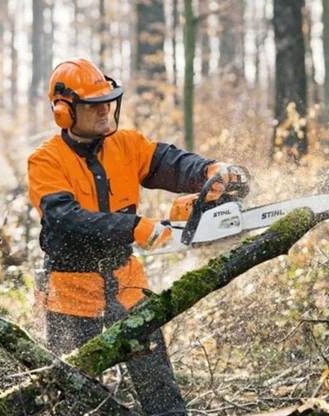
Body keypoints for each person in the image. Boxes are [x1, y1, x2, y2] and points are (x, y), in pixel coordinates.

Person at [27, 57, 247, 415]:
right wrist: (134, 227)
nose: (104, 112)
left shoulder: (127, 145)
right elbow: (65, 219)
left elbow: (169, 164)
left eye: (108, 103)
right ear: (64, 112)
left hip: (126, 285)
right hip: (70, 295)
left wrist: (209, 171)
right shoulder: (46, 161)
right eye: (94, 105)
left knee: (159, 388)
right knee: (78, 402)